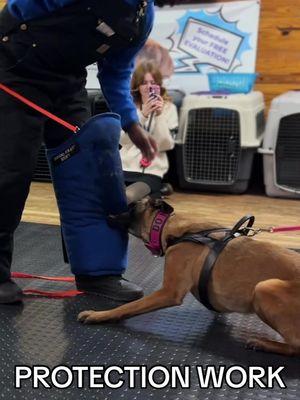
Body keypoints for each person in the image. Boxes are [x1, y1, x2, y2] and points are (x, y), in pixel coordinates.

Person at [0, 0, 177, 304]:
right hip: (14, 68)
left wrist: (133, 125)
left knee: (92, 168)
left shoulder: (141, 17)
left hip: (67, 83)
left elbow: (117, 71)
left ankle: (99, 272)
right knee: (9, 172)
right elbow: (19, 8)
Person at [120, 61, 178, 197]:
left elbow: (166, 145)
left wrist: (159, 115)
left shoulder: (169, 109)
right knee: (111, 195)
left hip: (151, 171)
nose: (149, 87)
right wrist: (142, 115)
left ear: (159, 86)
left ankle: (150, 198)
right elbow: (123, 141)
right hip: (124, 168)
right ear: (138, 86)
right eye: (144, 83)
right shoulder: (128, 108)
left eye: (153, 83)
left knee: (129, 196)